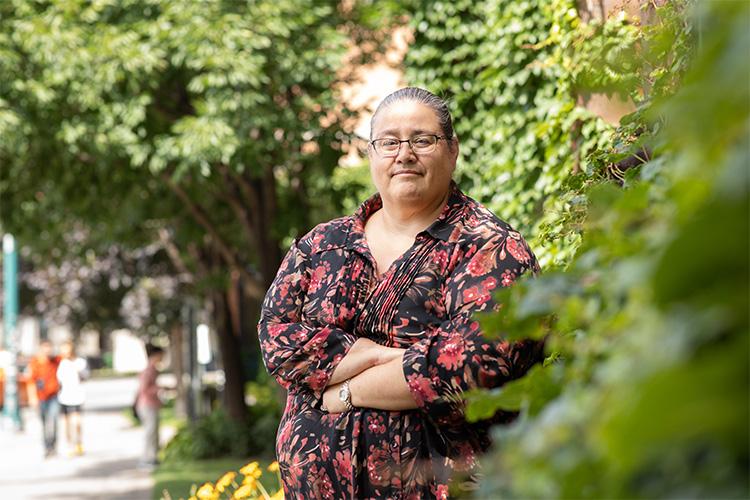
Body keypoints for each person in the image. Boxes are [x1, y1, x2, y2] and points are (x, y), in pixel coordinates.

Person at [258, 87, 545, 498]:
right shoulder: (322, 245)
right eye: (389, 142)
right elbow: (278, 341)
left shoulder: (490, 246)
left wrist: (347, 391)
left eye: (422, 140)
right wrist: (381, 356)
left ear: (452, 150)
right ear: (372, 153)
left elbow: (472, 364)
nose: (403, 154)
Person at [26, 340, 61, 458]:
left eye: (49, 348)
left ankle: (54, 444)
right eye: (45, 348)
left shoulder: (55, 361)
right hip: (41, 397)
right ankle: (47, 447)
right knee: (45, 422)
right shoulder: (35, 363)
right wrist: (32, 397)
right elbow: (30, 381)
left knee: (54, 419)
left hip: (53, 396)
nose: (48, 351)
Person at [56, 340, 89, 456]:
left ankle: (78, 441)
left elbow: (85, 376)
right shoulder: (60, 363)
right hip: (63, 396)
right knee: (66, 423)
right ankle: (69, 445)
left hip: (76, 395)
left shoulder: (80, 362)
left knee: (76, 421)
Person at [135, 343, 164, 468]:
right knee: (150, 432)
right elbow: (144, 389)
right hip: (147, 405)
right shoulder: (149, 370)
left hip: (150, 404)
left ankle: (153, 457)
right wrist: (159, 389)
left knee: (154, 432)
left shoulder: (153, 369)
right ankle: (147, 458)